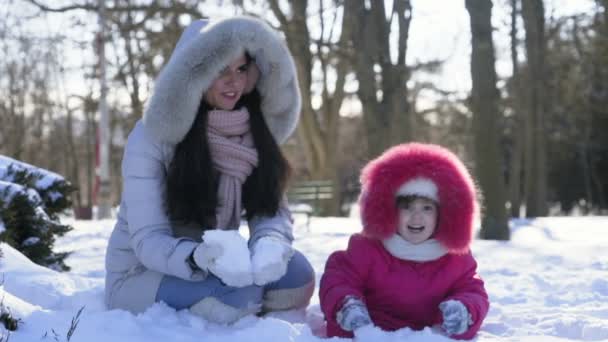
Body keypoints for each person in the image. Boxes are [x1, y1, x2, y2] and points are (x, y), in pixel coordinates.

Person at [104, 16, 315, 324]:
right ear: (194, 75)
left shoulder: (251, 131)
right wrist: (199, 257)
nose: (235, 82)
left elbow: (271, 210)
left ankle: (237, 305)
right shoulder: (152, 136)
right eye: (221, 70)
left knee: (297, 276)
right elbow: (148, 240)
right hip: (143, 273)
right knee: (242, 296)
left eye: (242, 69)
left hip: (217, 261)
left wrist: (269, 244)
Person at [319, 143, 489, 340]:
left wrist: (464, 310)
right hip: (372, 333)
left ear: (443, 215)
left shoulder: (455, 258)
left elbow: (472, 289)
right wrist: (346, 305)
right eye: (407, 207)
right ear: (389, 211)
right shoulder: (367, 248)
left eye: (427, 208)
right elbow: (340, 278)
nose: (417, 217)